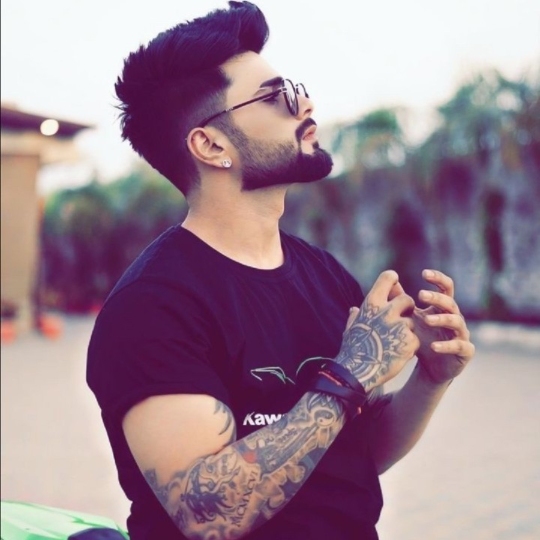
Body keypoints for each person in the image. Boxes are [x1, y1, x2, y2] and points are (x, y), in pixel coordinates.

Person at [86, 2, 475, 539]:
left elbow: (351, 454)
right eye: (277, 97)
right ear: (211, 144)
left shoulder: (324, 274)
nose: (305, 104)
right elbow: (206, 514)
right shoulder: (153, 305)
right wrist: (352, 372)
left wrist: (429, 380)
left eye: (296, 89)